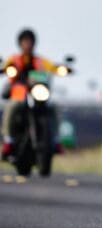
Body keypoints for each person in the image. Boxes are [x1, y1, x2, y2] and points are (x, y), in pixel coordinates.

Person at [1, 28, 59, 158]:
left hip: (36, 94)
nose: (28, 44)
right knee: (10, 107)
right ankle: (8, 140)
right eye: (25, 41)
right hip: (19, 95)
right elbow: (4, 66)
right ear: (20, 43)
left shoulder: (40, 60)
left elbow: (52, 67)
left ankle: (55, 140)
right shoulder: (14, 59)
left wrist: (61, 69)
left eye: (30, 41)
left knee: (54, 107)